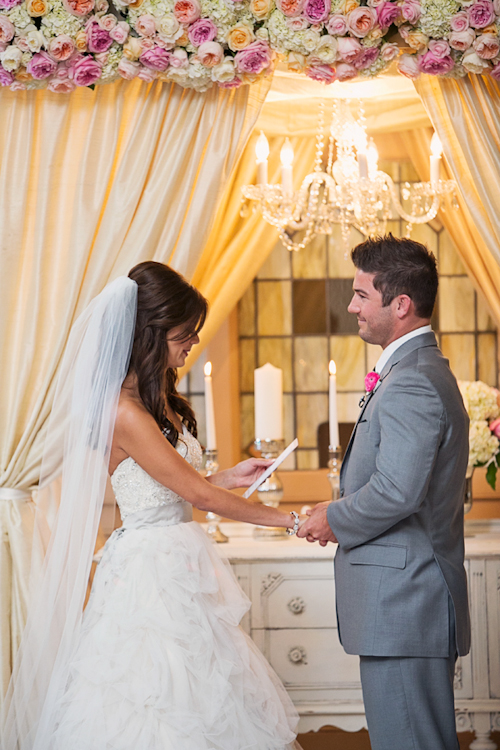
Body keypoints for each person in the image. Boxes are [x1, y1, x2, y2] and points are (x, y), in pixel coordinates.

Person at [3, 262, 304, 750]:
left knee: (205, 692)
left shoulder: (155, 399)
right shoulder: (124, 412)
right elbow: (198, 496)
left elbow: (175, 486)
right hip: (152, 576)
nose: (191, 344)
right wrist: (290, 519)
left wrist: (227, 476)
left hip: (178, 559)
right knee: (159, 699)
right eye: (185, 334)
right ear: (151, 333)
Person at [298, 235, 470, 750]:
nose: (350, 306)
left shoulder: (413, 379)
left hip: (405, 604)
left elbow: (397, 491)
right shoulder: (407, 371)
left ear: (401, 304)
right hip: (402, 606)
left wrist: (334, 516)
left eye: (360, 295)